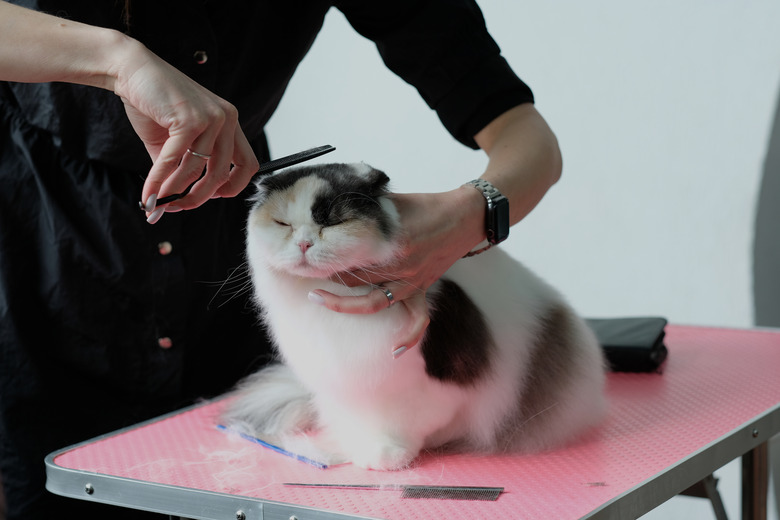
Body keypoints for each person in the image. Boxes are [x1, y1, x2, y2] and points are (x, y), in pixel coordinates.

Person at [0, 1, 562, 518]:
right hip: (45, 244)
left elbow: (528, 139)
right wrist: (116, 59)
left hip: (224, 255)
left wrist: (470, 215)